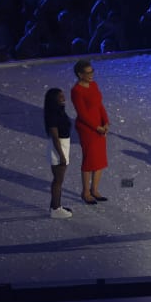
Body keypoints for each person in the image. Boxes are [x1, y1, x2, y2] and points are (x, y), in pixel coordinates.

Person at [71, 60, 109, 204]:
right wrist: (97, 127)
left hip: (99, 126)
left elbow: (99, 105)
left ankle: (95, 189)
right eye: (88, 73)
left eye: (92, 71)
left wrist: (105, 122)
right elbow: (82, 114)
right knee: (89, 160)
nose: (91, 75)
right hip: (87, 129)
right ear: (80, 74)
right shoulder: (77, 91)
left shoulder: (94, 85)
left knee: (99, 159)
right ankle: (85, 191)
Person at [44, 88, 73, 219]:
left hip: (63, 145)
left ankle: (55, 206)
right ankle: (56, 209)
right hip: (59, 147)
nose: (63, 98)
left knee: (58, 180)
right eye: (60, 96)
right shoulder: (53, 114)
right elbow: (55, 138)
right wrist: (61, 155)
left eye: (63, 95)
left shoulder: (59, 111)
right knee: (58, 180)